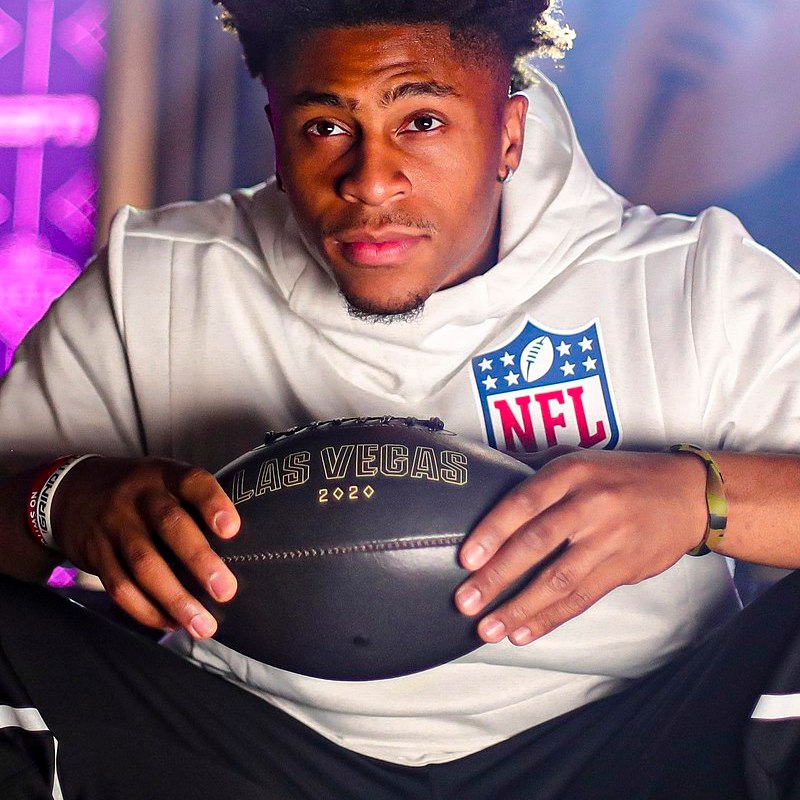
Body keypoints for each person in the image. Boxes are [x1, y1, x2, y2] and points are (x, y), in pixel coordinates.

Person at [0, 1, 800, 797]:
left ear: (509, 134)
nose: (370, 181)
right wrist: (57, 500)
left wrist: (700, 499)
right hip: (247, 749)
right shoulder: (161, 276)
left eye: (421, 121)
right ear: (277, 132)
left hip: (626, 744)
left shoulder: (692, 281)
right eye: (325, 127)